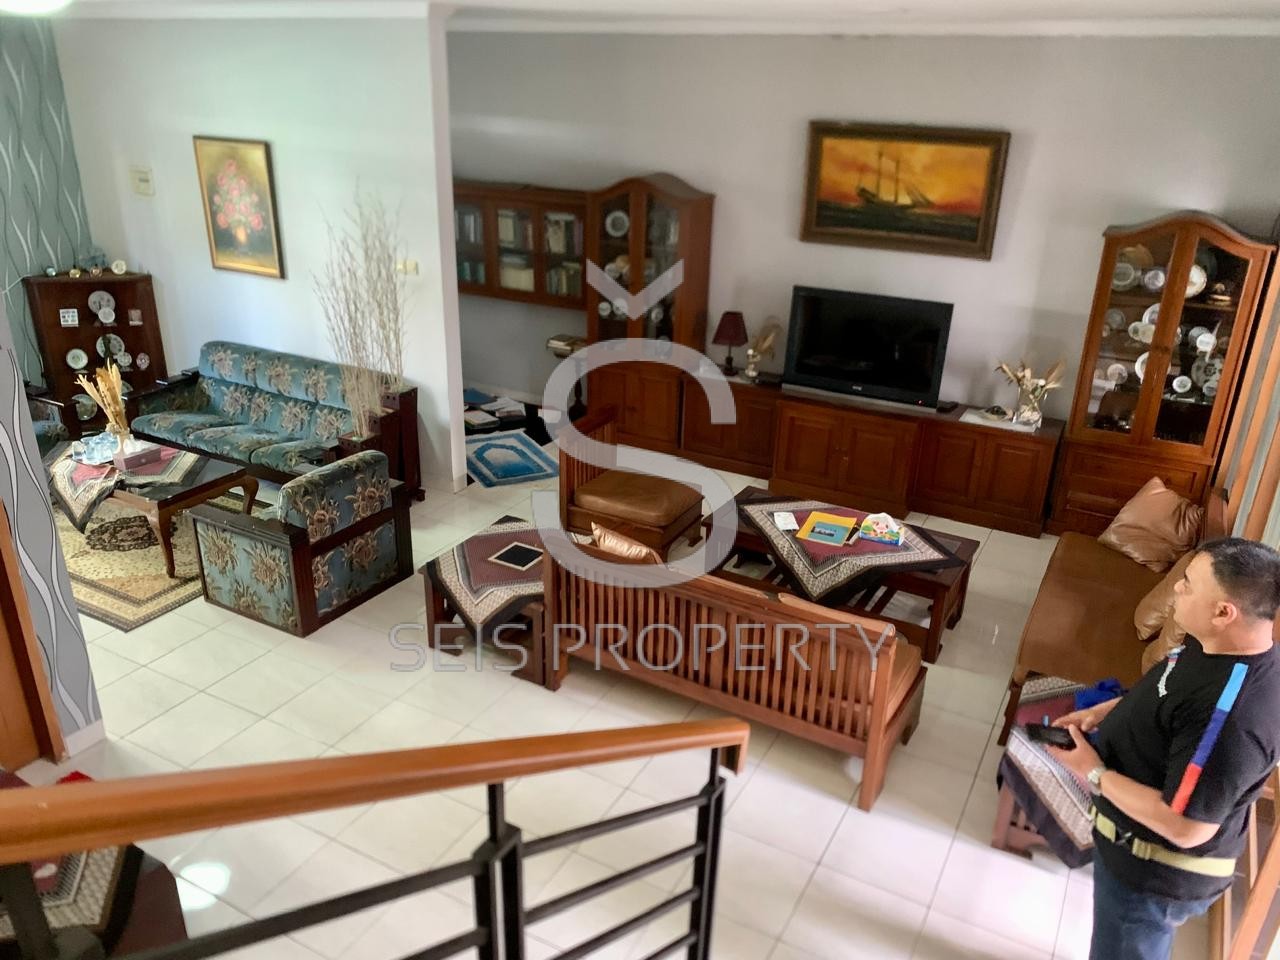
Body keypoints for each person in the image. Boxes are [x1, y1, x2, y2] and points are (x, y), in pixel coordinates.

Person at [1048, 537, 1280, 960]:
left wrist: (1093, 772)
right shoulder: (1215, 642)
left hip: (1152, 876)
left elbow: (1187, 827)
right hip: (1130, 847)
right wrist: (1105, 711)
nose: (1177, 588)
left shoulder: (1232, 718)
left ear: (1224, 612)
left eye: (1188, 584)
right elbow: (1169, 691)